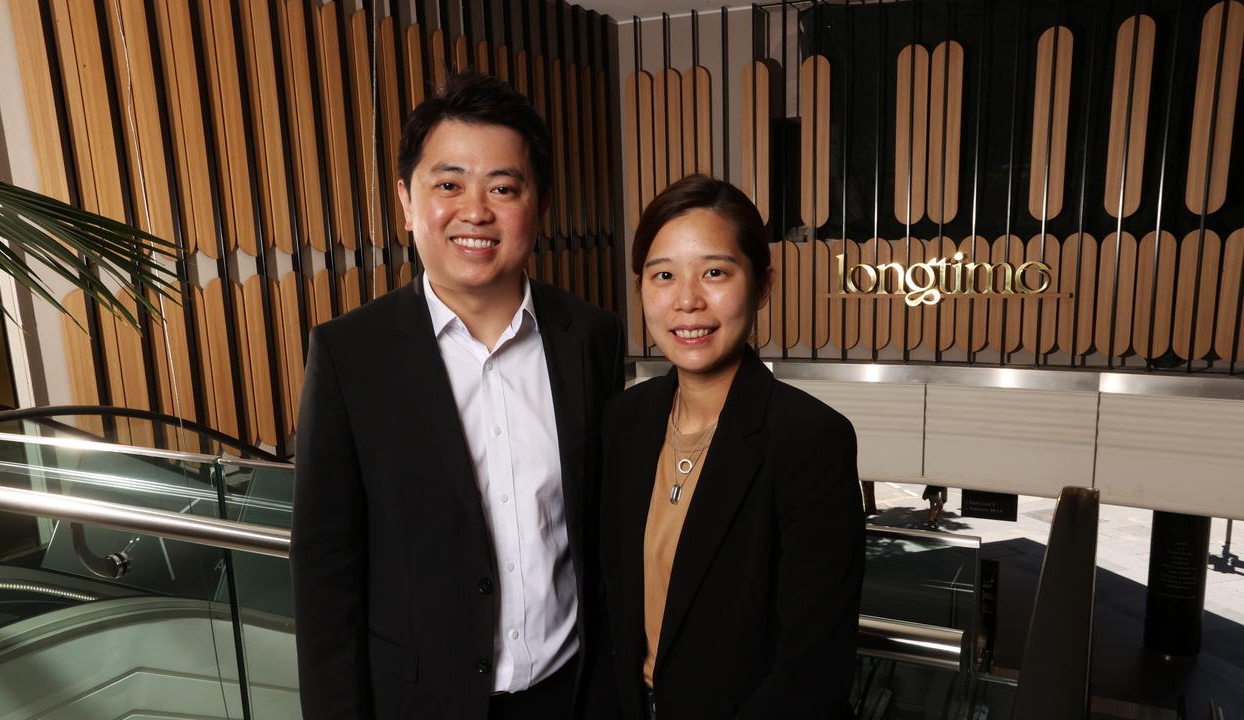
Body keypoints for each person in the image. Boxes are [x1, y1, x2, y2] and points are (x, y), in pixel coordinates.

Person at [291, 73, 623, 720]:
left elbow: (599, 529)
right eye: (448, 185)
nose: (476, 211)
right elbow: (325, 569)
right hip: (421, 703)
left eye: (504, 187)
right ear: (407, 203)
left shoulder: (590, 336)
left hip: (570, 695)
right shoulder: (349, 354)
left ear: (541, 205)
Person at [599, 175, 865, 719]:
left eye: (715, 273)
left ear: (762, 286)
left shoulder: (810, 440)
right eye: (664, 275)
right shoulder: (624, 420)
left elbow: (814, 667)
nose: (687, 301)